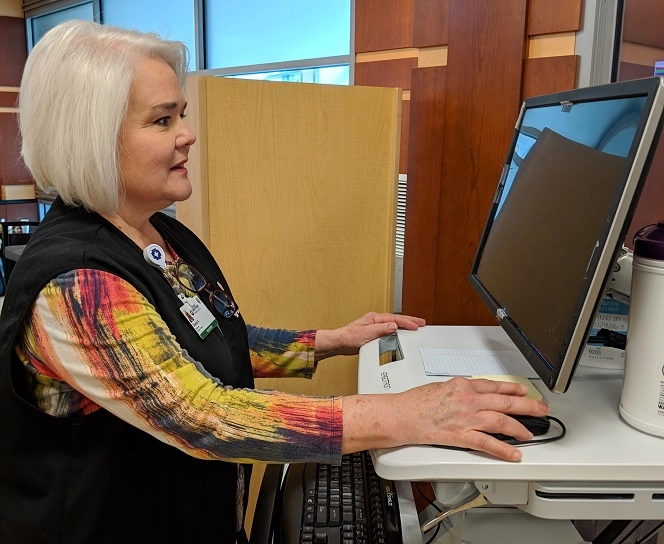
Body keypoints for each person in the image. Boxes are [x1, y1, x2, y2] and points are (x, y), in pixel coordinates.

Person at [0, 20, 549, 543]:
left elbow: (202, 340)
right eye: (162, 120)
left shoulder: (152, 231)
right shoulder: (79, 285)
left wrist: (327, 342)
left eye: (182, 116)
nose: (189, 135)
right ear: (92, 139)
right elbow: (202, 416)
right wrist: (403, 415)